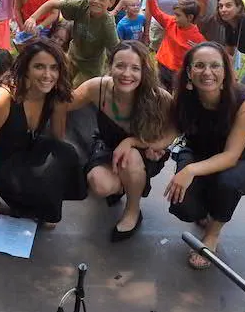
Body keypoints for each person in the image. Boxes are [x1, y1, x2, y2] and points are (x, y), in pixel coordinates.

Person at [0, 38, 83, 228]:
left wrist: (47, 183)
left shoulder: (55, 95)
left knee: (65, 153)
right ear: (26, 69)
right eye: (39, 67)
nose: (47, 75)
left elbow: (57, 142)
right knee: (6, 186)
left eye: (54, 68)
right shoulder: (1, 98)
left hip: (19, 145)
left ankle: (20, 197)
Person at [165, 41, 245, 270]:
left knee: (227, 183)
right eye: (199, 65)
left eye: (215, 65)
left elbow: (231, 156)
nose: (207, 72)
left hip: (243, 160)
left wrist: (189, 170)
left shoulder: (244, 99)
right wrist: (133, 143)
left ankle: (212, 235)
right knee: (184, 207)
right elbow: (169, 134)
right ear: (189, 71)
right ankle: (206, 208)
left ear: (225, 70)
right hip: (198, 153)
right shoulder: (184, 96)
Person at [68, 41, 176, 241]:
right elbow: (63, 104)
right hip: (107, 145)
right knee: (100, 184)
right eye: (120, 66)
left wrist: (142, 143)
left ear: (144, 71)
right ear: (110, 66)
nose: (127, 74)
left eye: (135, 68)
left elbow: (175, 128)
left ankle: (133, 211)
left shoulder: (159, 97)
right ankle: (128, 183)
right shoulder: (98, 87)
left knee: (130, 157)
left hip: (143, 153)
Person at [24, 0, 119, 86]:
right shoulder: (81, 6)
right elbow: (51, 4)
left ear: (111, 3)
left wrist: (111, 73)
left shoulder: (107, 24)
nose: (96, 1)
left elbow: (116, 50)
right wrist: (33, 18)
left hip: (91, 68)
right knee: (59, 83)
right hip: (73, 56)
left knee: (75, 90)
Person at [144, 0, 205, 89]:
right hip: (162, 65)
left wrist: (199, 50)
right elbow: (156, 12)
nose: (174, 17)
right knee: (161, 92)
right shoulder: (171, 22)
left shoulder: (197, 37)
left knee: (177, 95)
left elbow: (205, 53)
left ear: (190, 17)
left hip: (179, 73)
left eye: (178, 15)